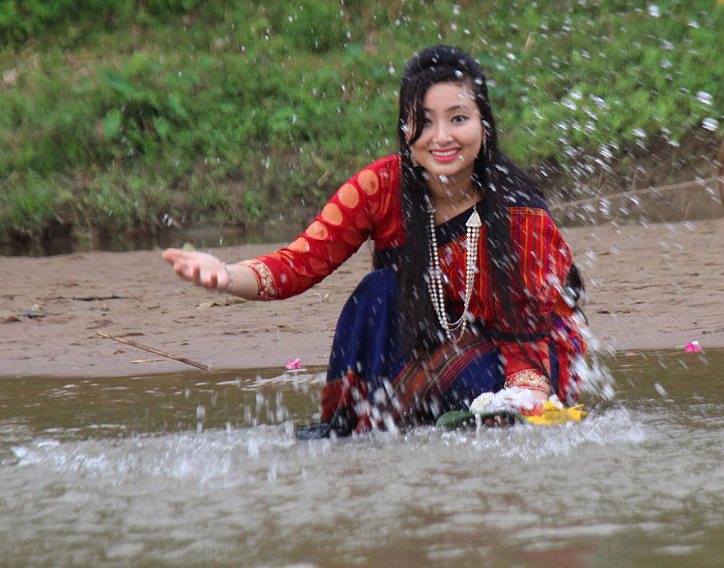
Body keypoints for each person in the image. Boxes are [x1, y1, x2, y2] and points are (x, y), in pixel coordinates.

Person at [162, 45, 587, 436]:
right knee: (378, 293)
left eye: (458, 118)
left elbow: (528, 339)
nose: (441, 137)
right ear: (405, 129)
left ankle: (438, 419)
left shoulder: (519, 212)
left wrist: (526, 403)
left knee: (489, 406)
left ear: (484, 125)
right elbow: (299, 263)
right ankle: (353, 426)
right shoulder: (379, 188)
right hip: (427, 348)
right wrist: (225, 275)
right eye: (423, 121)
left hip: (517, 360)